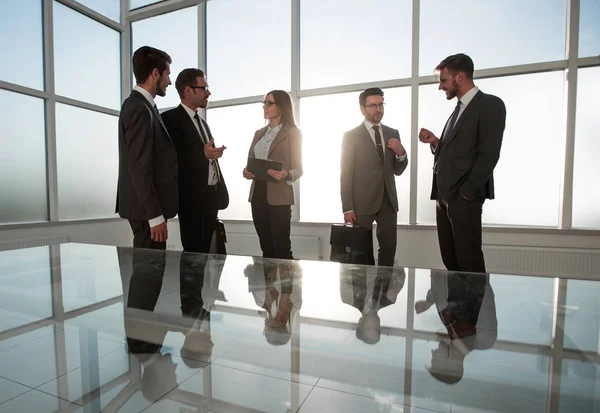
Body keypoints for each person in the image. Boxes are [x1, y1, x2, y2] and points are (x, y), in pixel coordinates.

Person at [419, 53, 506, 273]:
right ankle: (457, 307)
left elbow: (489, 155)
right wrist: (436, 142)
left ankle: (476, 308)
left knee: (469, 261)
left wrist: (465, 194)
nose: (440, 87)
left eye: (443, 80)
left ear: (460, 77)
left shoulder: (490, 104)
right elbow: (458, 152)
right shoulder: (457, 110)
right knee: (451, 260)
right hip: (444, 197)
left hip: (464, 198)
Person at [161, 68, 228, 279]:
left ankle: (200, 307)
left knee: (206, 257)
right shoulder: (170, 120)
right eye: (204, 88)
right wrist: (203, 154)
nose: (208, 93)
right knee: (193, 258)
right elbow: (169, 161)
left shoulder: (203, 123)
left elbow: (208, 158)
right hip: (190, 202)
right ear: (188, 90)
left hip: (210, 199)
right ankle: (190, 307)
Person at [116, 46, 177, 250]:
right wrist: (154, 216)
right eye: (167, 75)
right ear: (155, 73)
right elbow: (139, 167)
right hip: (145, 212)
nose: (169, 81)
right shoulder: (139, 108)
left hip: (145, 210)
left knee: (151, 274)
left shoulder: (143, 106)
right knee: (148, 274)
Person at [340, 87, 408, 267]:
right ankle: (361, 294)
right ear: (362, 109)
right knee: (361, 252)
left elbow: (397, 170)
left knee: (389, 248)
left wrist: (401, 153)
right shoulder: (350, 136)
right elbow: (345, 174)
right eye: (372, 106)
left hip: (388, 200)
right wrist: (347, 207)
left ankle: (383, 292)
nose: (378, 109)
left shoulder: (393, 133)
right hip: (361, 203)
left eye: (380, 105)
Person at [242, 90, 303, 260]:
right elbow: (251, 162)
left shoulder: (293, 133)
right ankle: (269, 287)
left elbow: (299, 168)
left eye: (269, 103)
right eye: (264, 103)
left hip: (279, 197)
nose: (265, 106)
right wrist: (247, 172)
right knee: (266, 249)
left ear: (281, 106)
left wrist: (286, 174)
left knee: (282, 249)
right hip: (257, 195)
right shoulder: (258, 133)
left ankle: (287, 287)